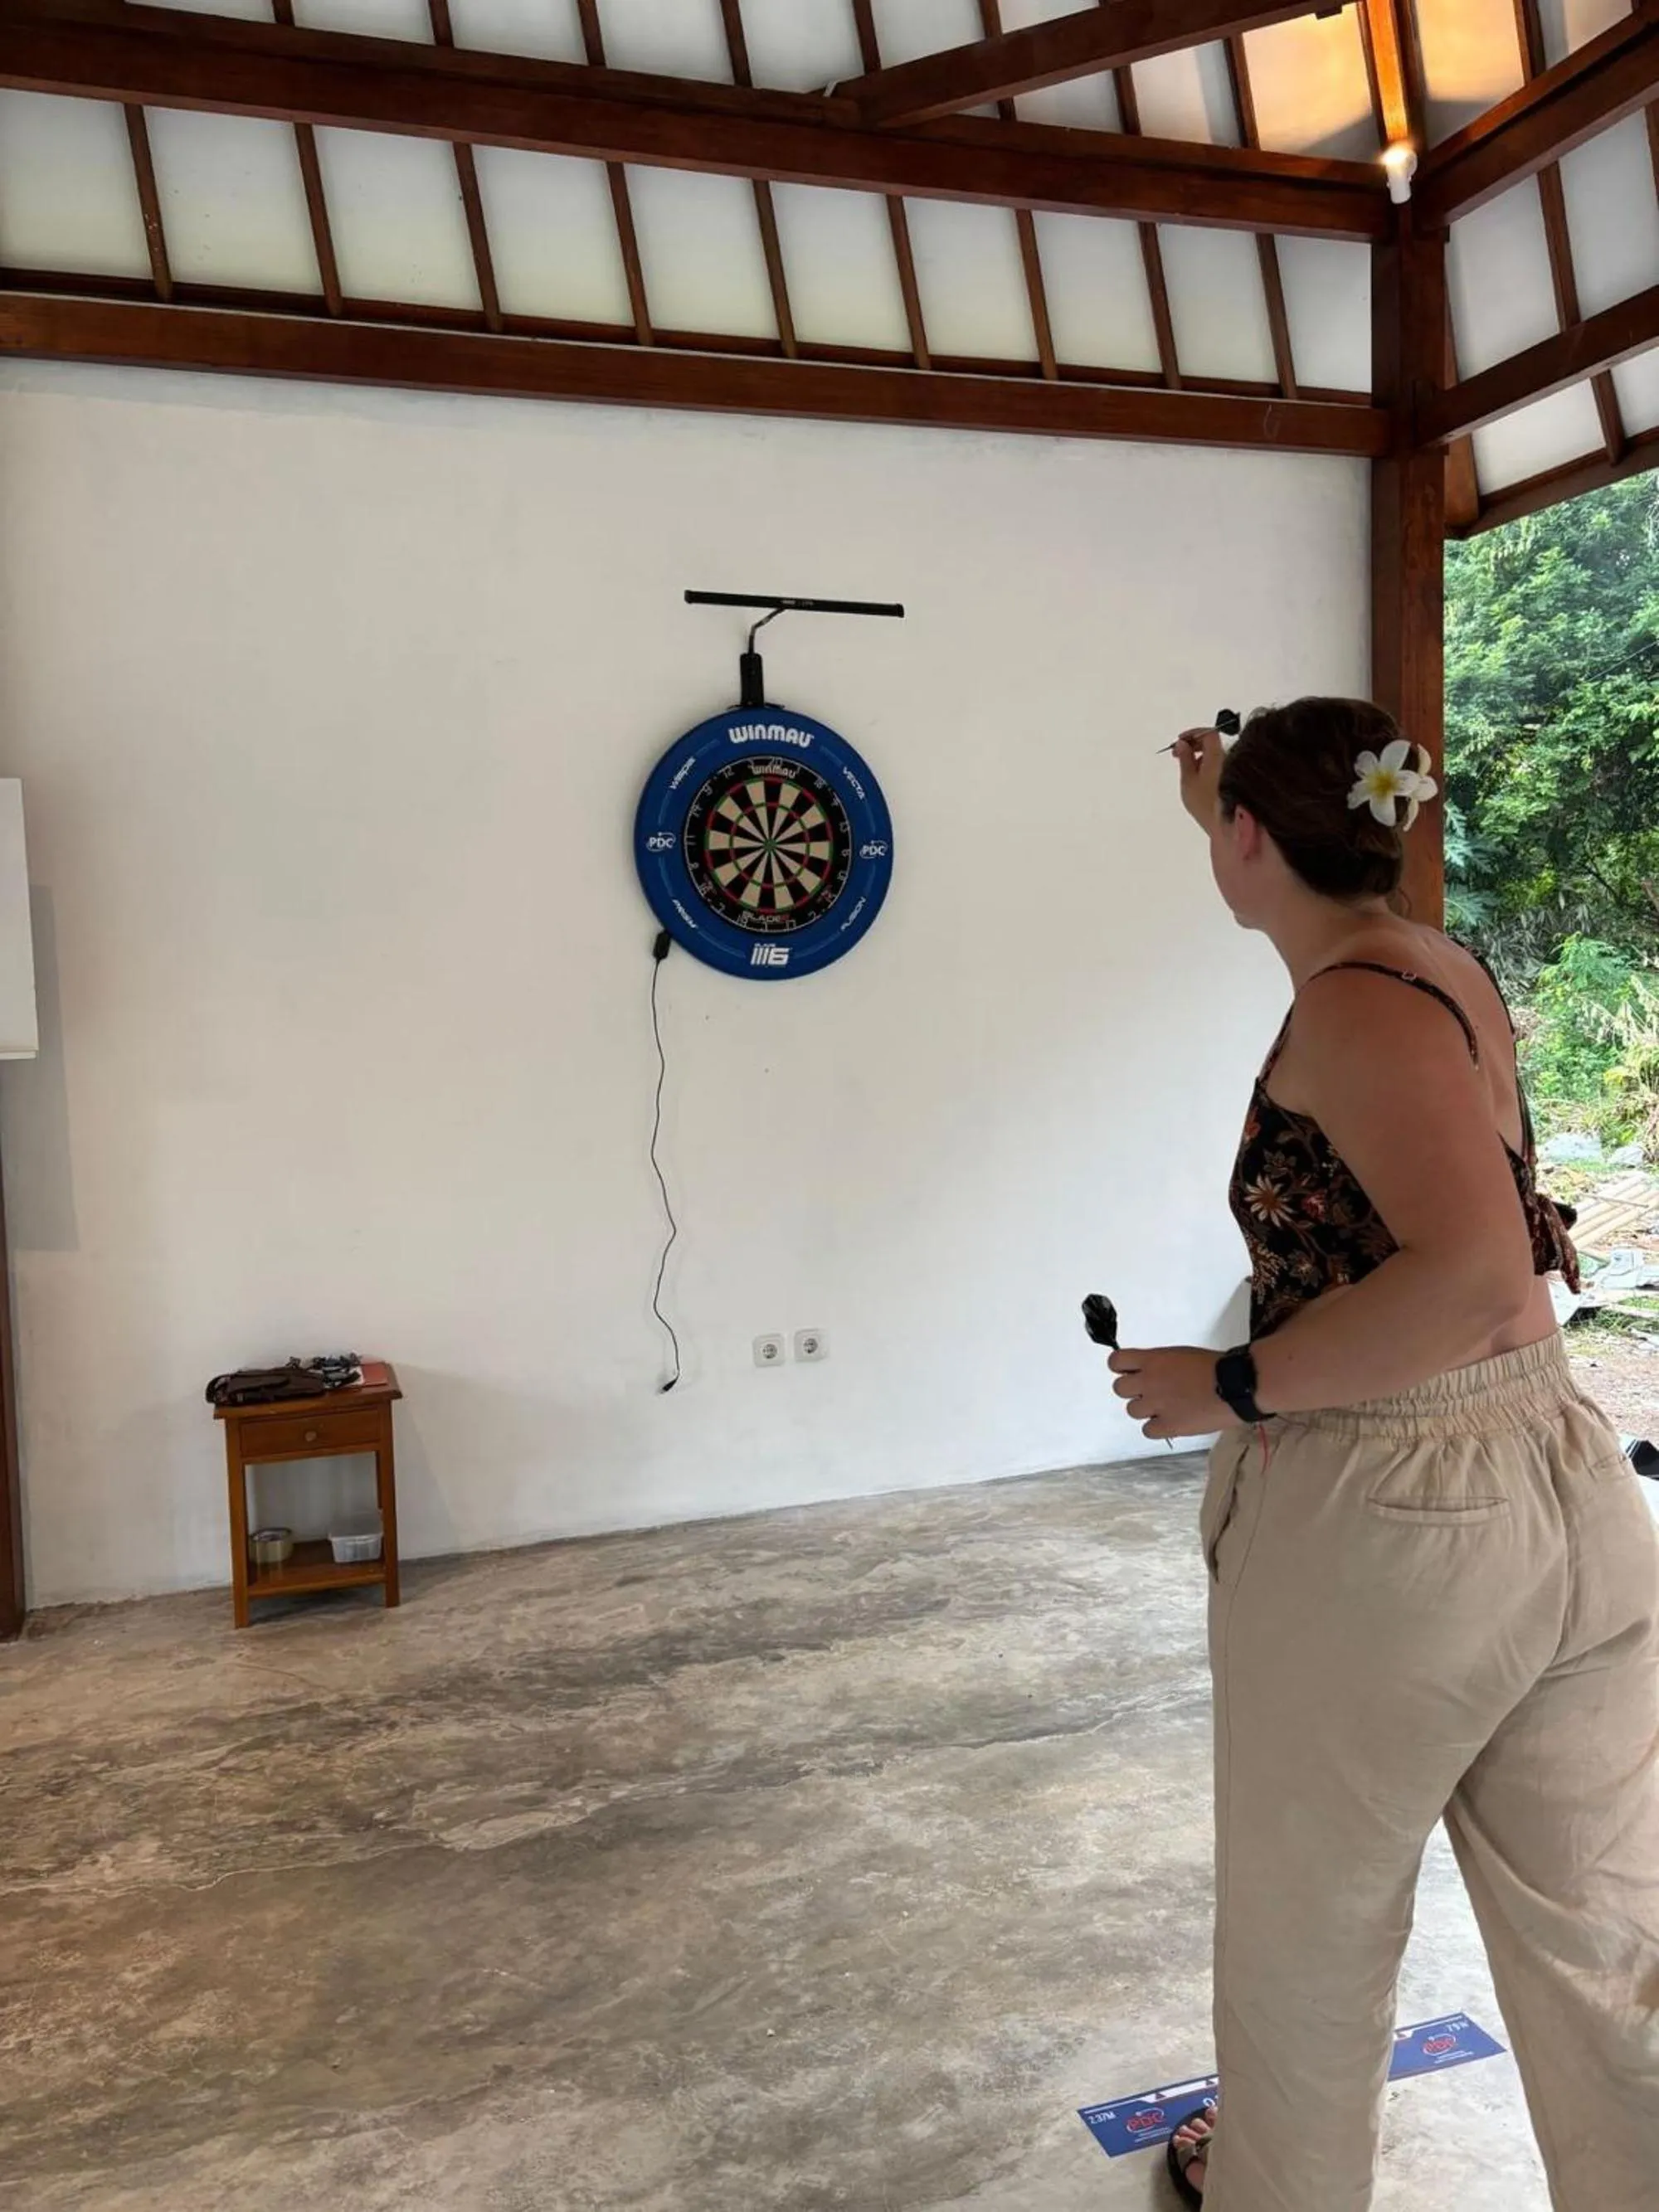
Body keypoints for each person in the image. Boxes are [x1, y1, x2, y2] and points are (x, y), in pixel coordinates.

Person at [1107, 699, 1659, 2210]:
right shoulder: (1436, 964)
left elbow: (1477, 1272)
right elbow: (1501, 1287)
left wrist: (1234, 1380)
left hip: (1396, 1519)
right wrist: (1231, 800)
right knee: (1604, 1950)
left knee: (1307, 1947)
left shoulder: (1351, 1006)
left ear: (1249, 843)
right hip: (1563, 1481)